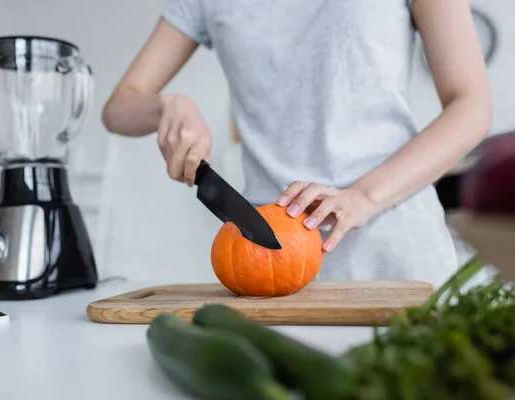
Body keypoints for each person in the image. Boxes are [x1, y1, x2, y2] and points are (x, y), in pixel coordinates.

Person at [101, 0, 492, 287]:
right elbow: (119, 108)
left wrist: (362, 198)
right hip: (268, 260)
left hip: (398, 251)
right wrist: (167, 106)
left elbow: (471, 106)